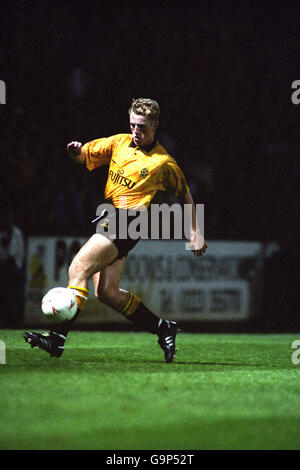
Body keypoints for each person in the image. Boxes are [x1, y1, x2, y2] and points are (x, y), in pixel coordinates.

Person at [24, 98, 207, 362]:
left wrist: (194, 231)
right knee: (107, 292)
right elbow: (84, 157)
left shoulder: (163, 162)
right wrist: (75, 152)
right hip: (110, 216)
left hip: (128, 221)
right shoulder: (120, 142)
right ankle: (163, 328)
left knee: (78, 268)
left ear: (156, 126)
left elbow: (185, 195)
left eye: (142, 127)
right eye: (133, 124)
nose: (136, 131)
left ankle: (57, 338)